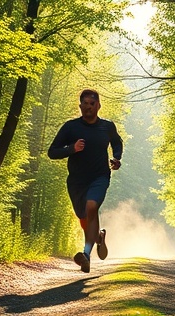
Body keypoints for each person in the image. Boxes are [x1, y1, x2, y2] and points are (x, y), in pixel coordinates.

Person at [47, 89, 123, 273]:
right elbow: (52, 152)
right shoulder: (71, 127)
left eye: (92, 103)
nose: (88, 107)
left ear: (98, 106)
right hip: (76, 182)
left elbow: (117, 142)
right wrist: (72, 148)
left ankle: (86, 255)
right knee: (84, 219)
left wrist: (117, 158)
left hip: (100, 177)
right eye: (85, 103)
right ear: (80, 106)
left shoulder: (107, 126)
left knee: (91, 207)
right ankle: (99, 237)